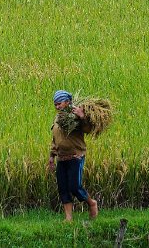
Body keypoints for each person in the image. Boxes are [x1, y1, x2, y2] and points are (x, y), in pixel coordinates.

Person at [48, 90, 99, 222]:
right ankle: (68, 218)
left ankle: (92, 203)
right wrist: (51, 157)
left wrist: (82, 116)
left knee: (75, 187)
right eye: (55, 105)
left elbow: (88, 129)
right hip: (61, 157)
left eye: (59, 104)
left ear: (68, 102)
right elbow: (55, 139)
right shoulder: (58, 118)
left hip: (76, 156)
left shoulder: (75, 115)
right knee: (63, 188)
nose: (57, 107)